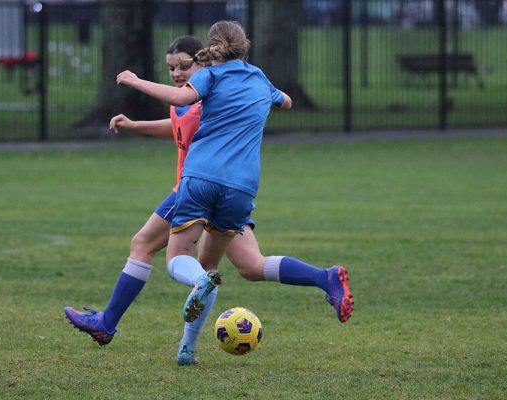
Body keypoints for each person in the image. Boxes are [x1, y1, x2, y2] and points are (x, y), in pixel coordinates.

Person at [65, 28, 353, 365]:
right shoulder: (252, 81)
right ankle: (321, 278)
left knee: (151, 249)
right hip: (241, 188)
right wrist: (136, 125)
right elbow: (181, 122)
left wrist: (136, 82)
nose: (177, 74)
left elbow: (182, 107)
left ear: (205, 61)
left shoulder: (207, 86)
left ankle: (107, 322)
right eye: (171, 67)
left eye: (184, 66)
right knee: (247, 266)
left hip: (197, 185)